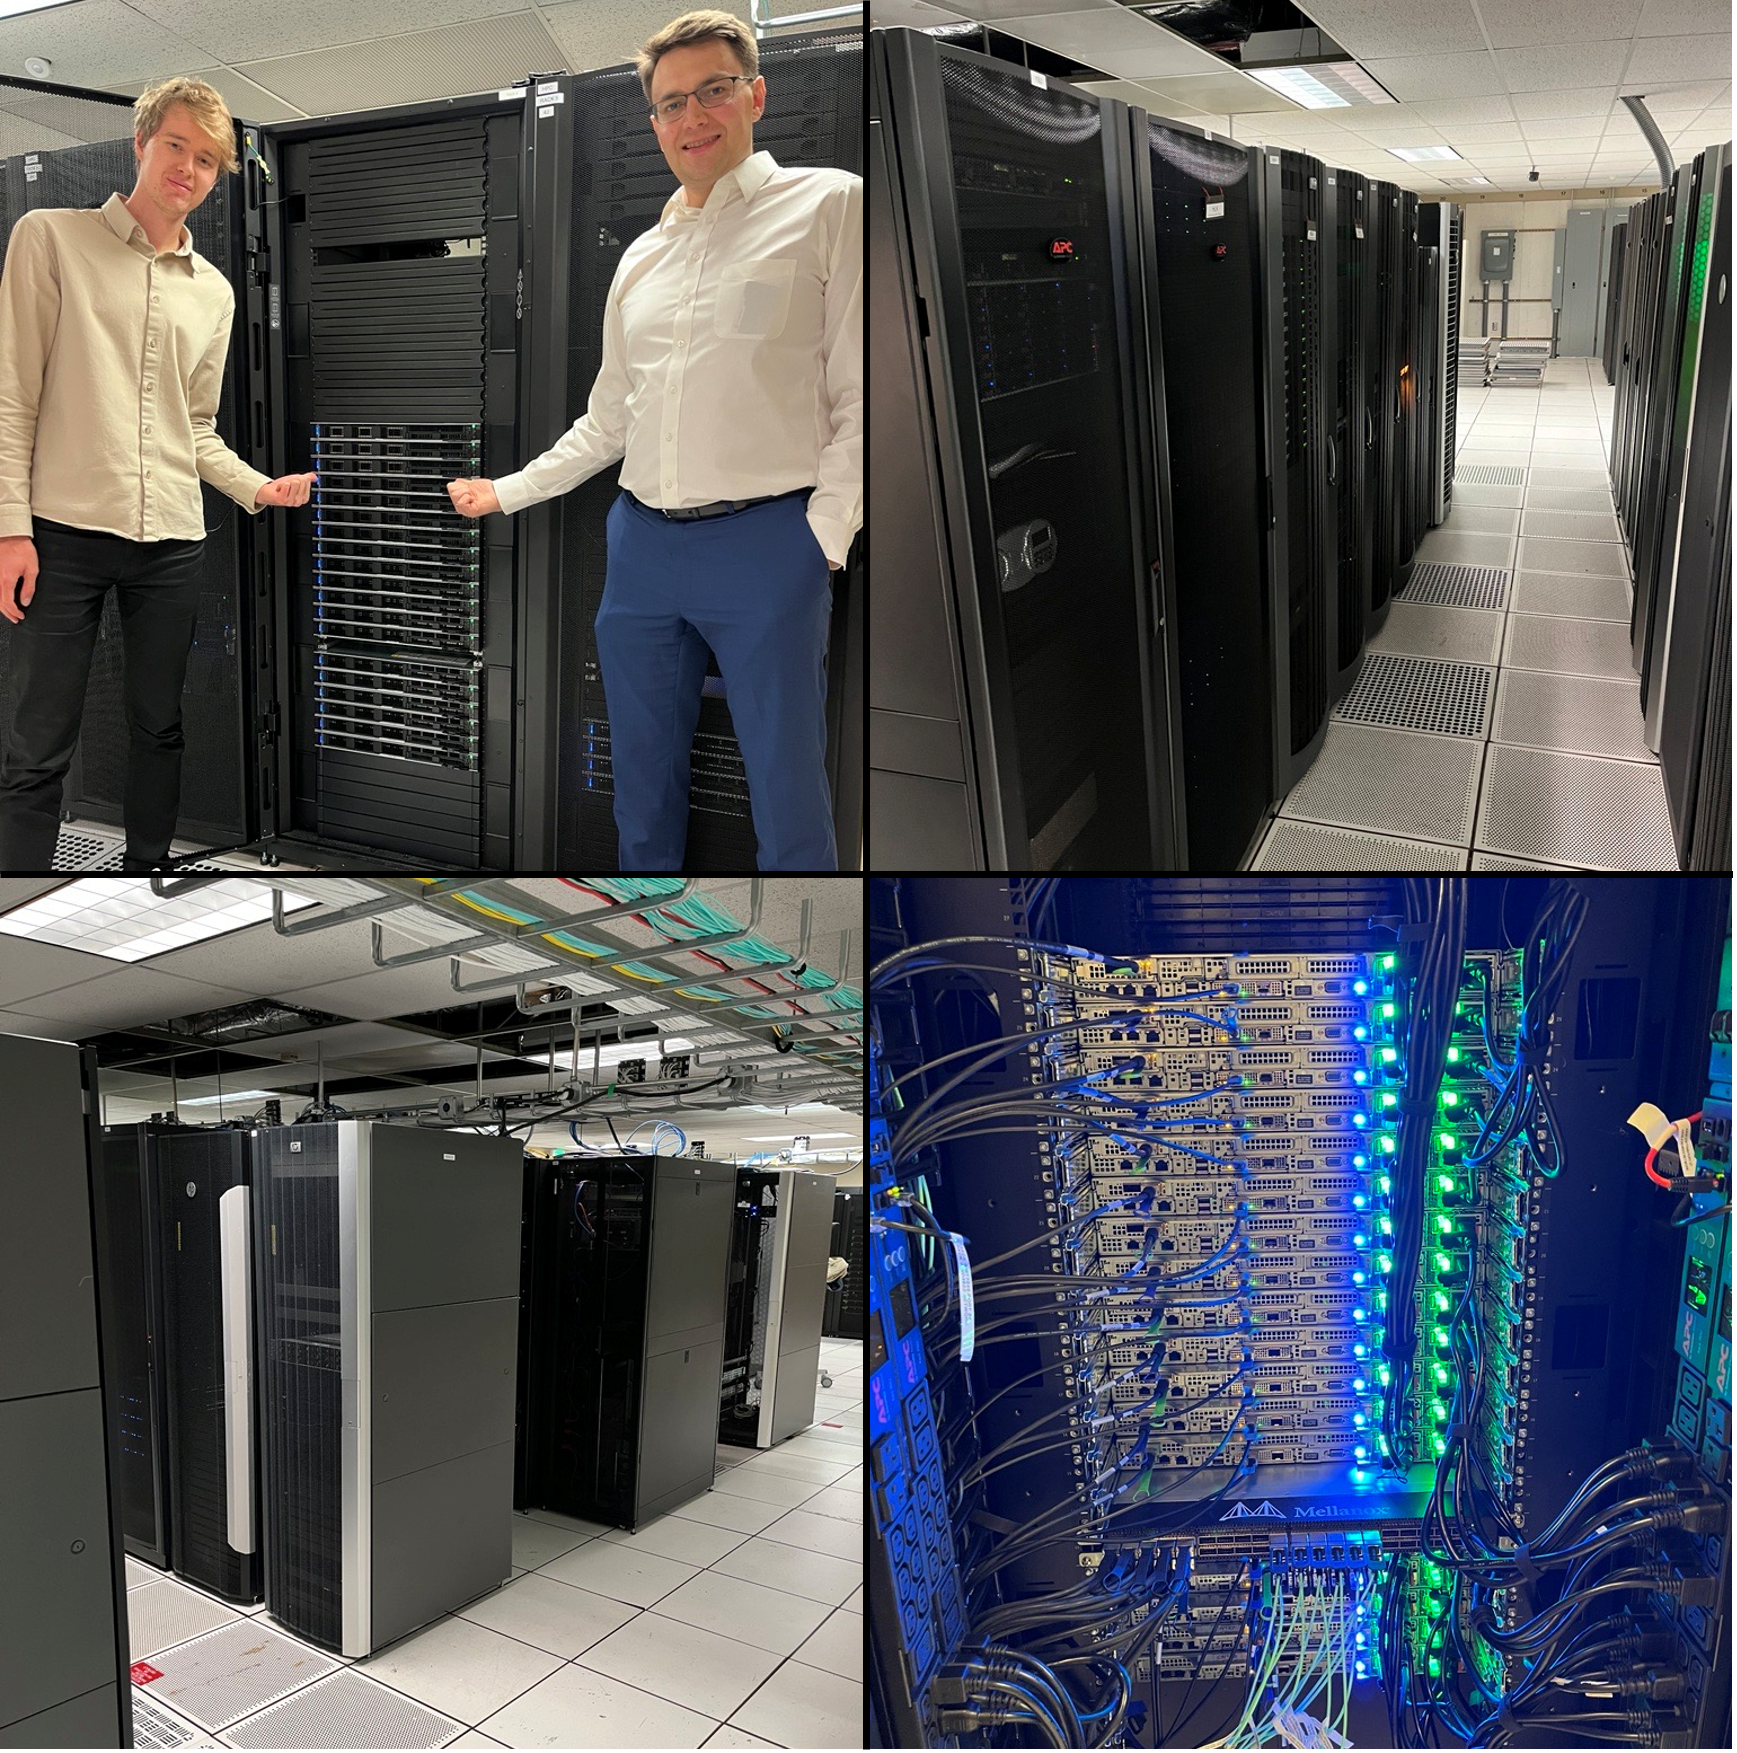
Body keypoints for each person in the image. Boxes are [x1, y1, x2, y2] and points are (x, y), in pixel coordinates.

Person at [447, 9, 861, 872]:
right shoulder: (641, 256)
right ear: (653, 124)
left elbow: (864, 390)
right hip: (640, 548)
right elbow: (611, 417)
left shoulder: (832, 205)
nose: (692, 118)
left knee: (786, 790)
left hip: (766, 541)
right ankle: (661, 955)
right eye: (671, 104)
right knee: (636, 775)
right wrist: (508, 490)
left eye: (712, 91)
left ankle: (800, 973)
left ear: (754, 94)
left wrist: (823, 536)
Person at [0, 77, 316, 875]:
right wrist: (10, 528)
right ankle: (19, 901)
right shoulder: (50, 237)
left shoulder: (211, 291)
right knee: (39, 740)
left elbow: (194, 428)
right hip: (61, 533)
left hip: (170, 538)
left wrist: (255, 486)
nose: (189, 168)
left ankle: (144, 876)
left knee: (159, 724)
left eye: (207, 159)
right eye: (177, 145)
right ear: (141, 144)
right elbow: (12, 397)